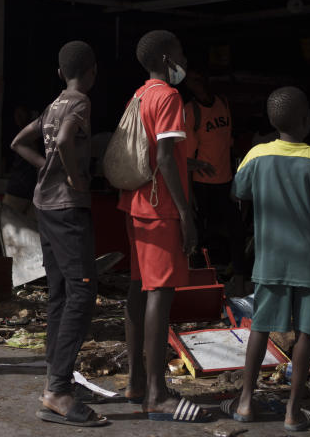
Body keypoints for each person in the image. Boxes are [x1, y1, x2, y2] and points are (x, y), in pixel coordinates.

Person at [224, 87, 310, 432]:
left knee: (260, 328)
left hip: (270, 260)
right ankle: (292, 413)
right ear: (306, 120)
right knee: (305, 335)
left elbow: (238, 192)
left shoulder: (256, 155)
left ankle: (244, 404)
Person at [12, 40, 108, 428]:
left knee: (60, 292)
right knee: (83, 291)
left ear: (59, 73)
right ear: (92, 72)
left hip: (44, 206)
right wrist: (71, 173)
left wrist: (45, 167)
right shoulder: (80, 103)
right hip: (68, 208)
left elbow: (18, 142)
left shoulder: (52, 105)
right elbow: (67, 140)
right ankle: (57, 391)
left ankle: (57, 377)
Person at [117, 30, 207, 423]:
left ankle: (137, 382)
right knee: (161, 293)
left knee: (139, 290)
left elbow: (154, 152)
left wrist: (188, 165)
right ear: (168, 57)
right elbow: (165, 158)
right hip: (161, 207)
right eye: (182, 52)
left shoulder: (139, 95)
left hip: (135, 203)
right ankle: (156, 393)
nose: (185, 60)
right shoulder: (168, 97)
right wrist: (187, 214)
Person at [183, 69, 246, 294]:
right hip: (202, 185)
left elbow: (229, 142)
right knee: (200, 237)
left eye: (200, 78)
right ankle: (201, 288)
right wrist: (189, 197)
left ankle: (238, 284)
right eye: (193, 81)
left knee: (237, 232)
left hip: (226, 181)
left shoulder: (222, 103)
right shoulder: (191, 111)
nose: (198, 83)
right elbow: (186, 159)